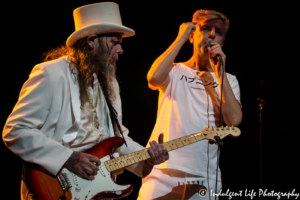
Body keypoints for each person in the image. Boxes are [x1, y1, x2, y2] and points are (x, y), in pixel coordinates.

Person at [2, 2, 169, 200]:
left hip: (97, 188)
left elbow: (118, 138)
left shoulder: (111, 85)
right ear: (91, 41)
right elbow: (16, 130)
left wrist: (147, 157)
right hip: (57, 188)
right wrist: (69, 159)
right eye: (114, 42)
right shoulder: (51, 74)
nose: (120, 50)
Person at [137, 9, 242, 200]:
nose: (211, 34)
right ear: (193, 35)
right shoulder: (176, 70)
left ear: (223, 41)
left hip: (205, 174)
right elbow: (153, 78)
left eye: (217, 32)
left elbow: (234, 120)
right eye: (205, 28)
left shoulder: (229, 79)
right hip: (163, 169)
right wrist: (181, 37)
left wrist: (220, 73)